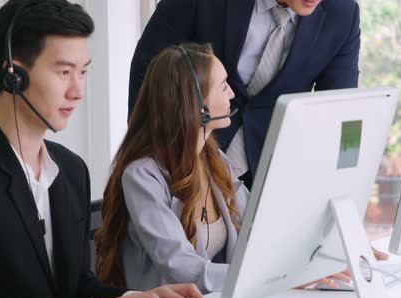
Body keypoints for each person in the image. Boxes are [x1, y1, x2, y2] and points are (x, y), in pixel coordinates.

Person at [0, 1, 205, 298]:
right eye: (64, 72)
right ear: (14, 75)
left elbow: (75, 287)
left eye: (83, 72)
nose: (78, 91)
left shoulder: (70, 171)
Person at [96, 43, 352, 293]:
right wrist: (278, 277)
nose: (231, 94)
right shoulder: (142, 177)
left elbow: (259, 225)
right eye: (223, 86)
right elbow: (183, 269)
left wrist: (323, 253)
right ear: (196, 104)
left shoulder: (213, 159)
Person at [128, 0, 361, 189]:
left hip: (271, 178)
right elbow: (148, 69)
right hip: (182, 165)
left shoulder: (343, 15)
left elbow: (339, 114)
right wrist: (155, 162)